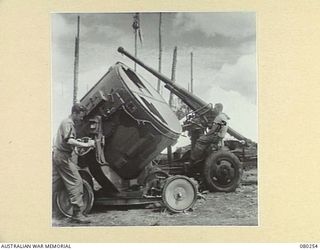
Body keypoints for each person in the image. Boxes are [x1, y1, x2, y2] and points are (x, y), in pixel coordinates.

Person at [52, 103, 95, 224]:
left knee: (55, 183)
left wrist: (79, 144)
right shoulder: (68, 123)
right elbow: (69, 140)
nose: (82, 118)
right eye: (81, 115)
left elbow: (68, 142)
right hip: (62, 157)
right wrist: (87, 144)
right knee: (76, 182)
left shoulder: (67, 123)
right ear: (75, 113)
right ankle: (76, 214)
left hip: (59, 156)